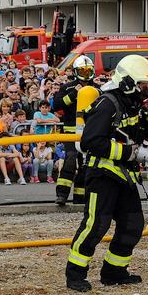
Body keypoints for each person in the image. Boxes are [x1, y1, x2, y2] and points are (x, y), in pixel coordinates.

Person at [65, 55, 148, 292]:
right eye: (144, 84)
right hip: (103, 174)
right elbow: (90, 141)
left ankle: (114, 272)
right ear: (128, 82)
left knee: (133, 224)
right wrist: (126, 152)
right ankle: (75, 273)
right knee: (96, 224)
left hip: (124, 175)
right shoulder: (107, 103)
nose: (147, 89)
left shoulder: (134, 103)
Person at [53, 55, 97, 206]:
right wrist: (73, 95)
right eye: (82, 71)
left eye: (88, 71)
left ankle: (80, 196)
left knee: (86, 163)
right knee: (71, 158)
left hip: (89, 132)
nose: (86, 75)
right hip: (71, 133)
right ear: (76, 72)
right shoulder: (68, 87)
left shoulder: (96, 90)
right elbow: (57, 105)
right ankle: (62, 194)